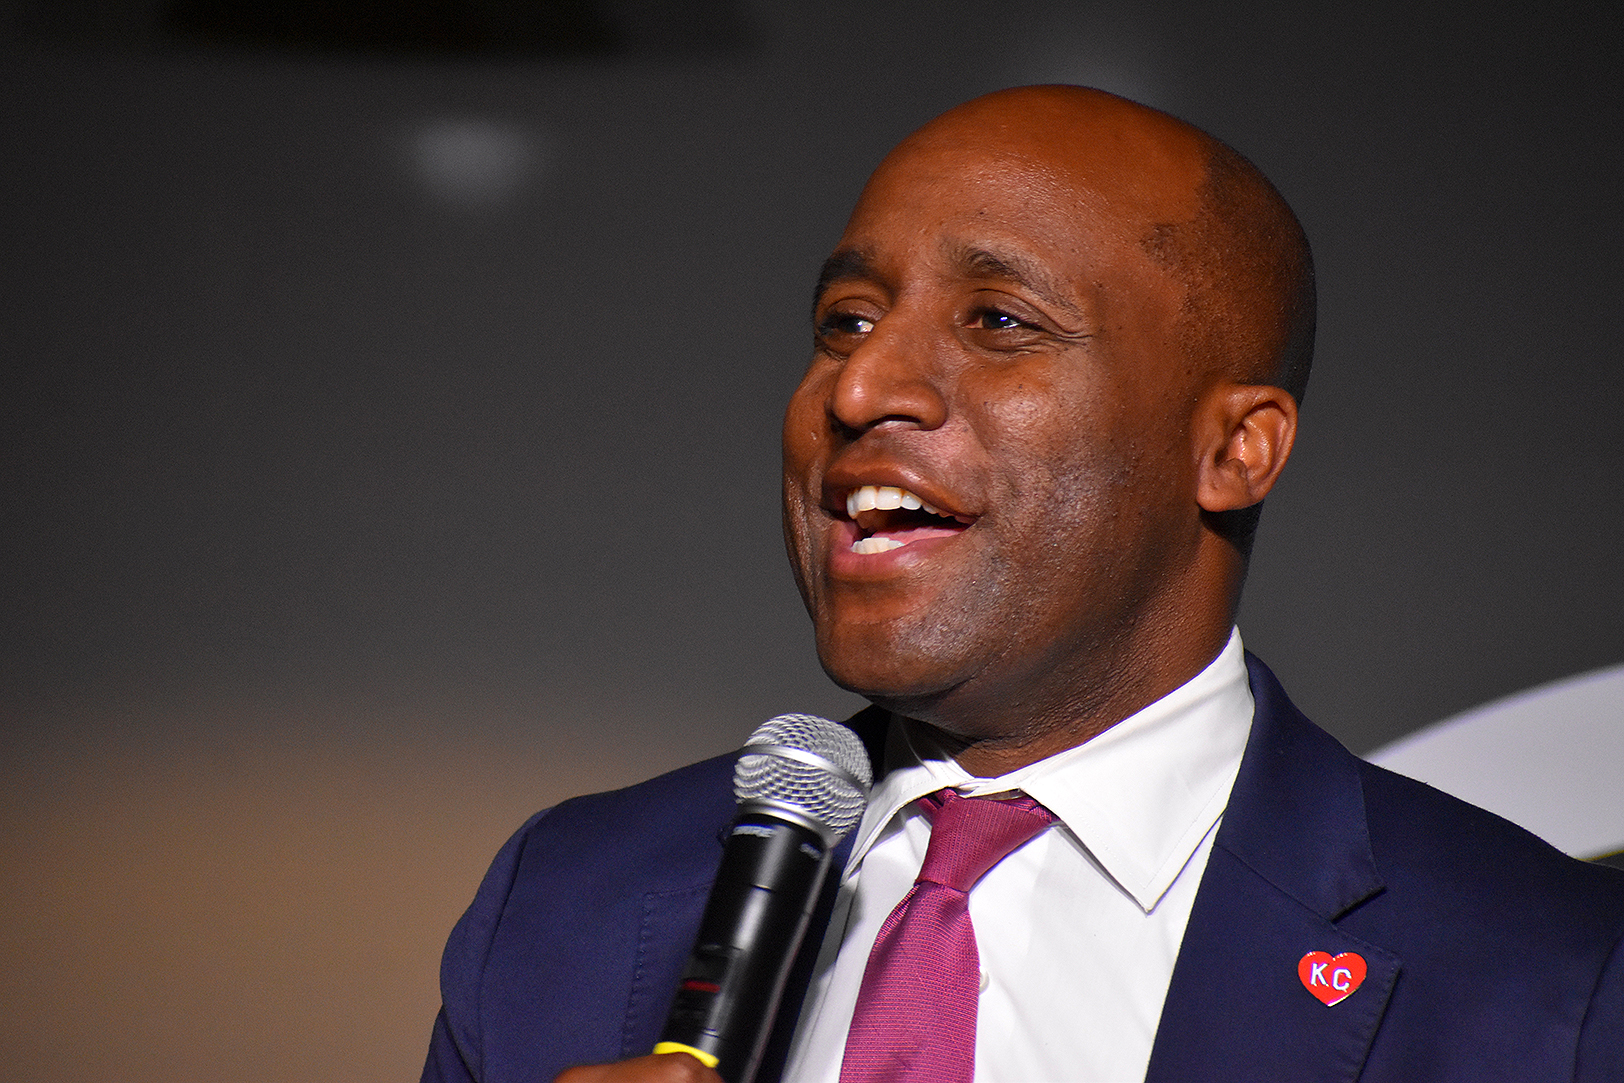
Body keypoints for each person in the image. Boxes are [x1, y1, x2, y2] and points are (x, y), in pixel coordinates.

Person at [422, 86, 1624, 1083]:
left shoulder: (1546, 981)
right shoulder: (566, 906)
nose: (856, 388)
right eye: (845, 319)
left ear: (1234, 448)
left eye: (997, 320)